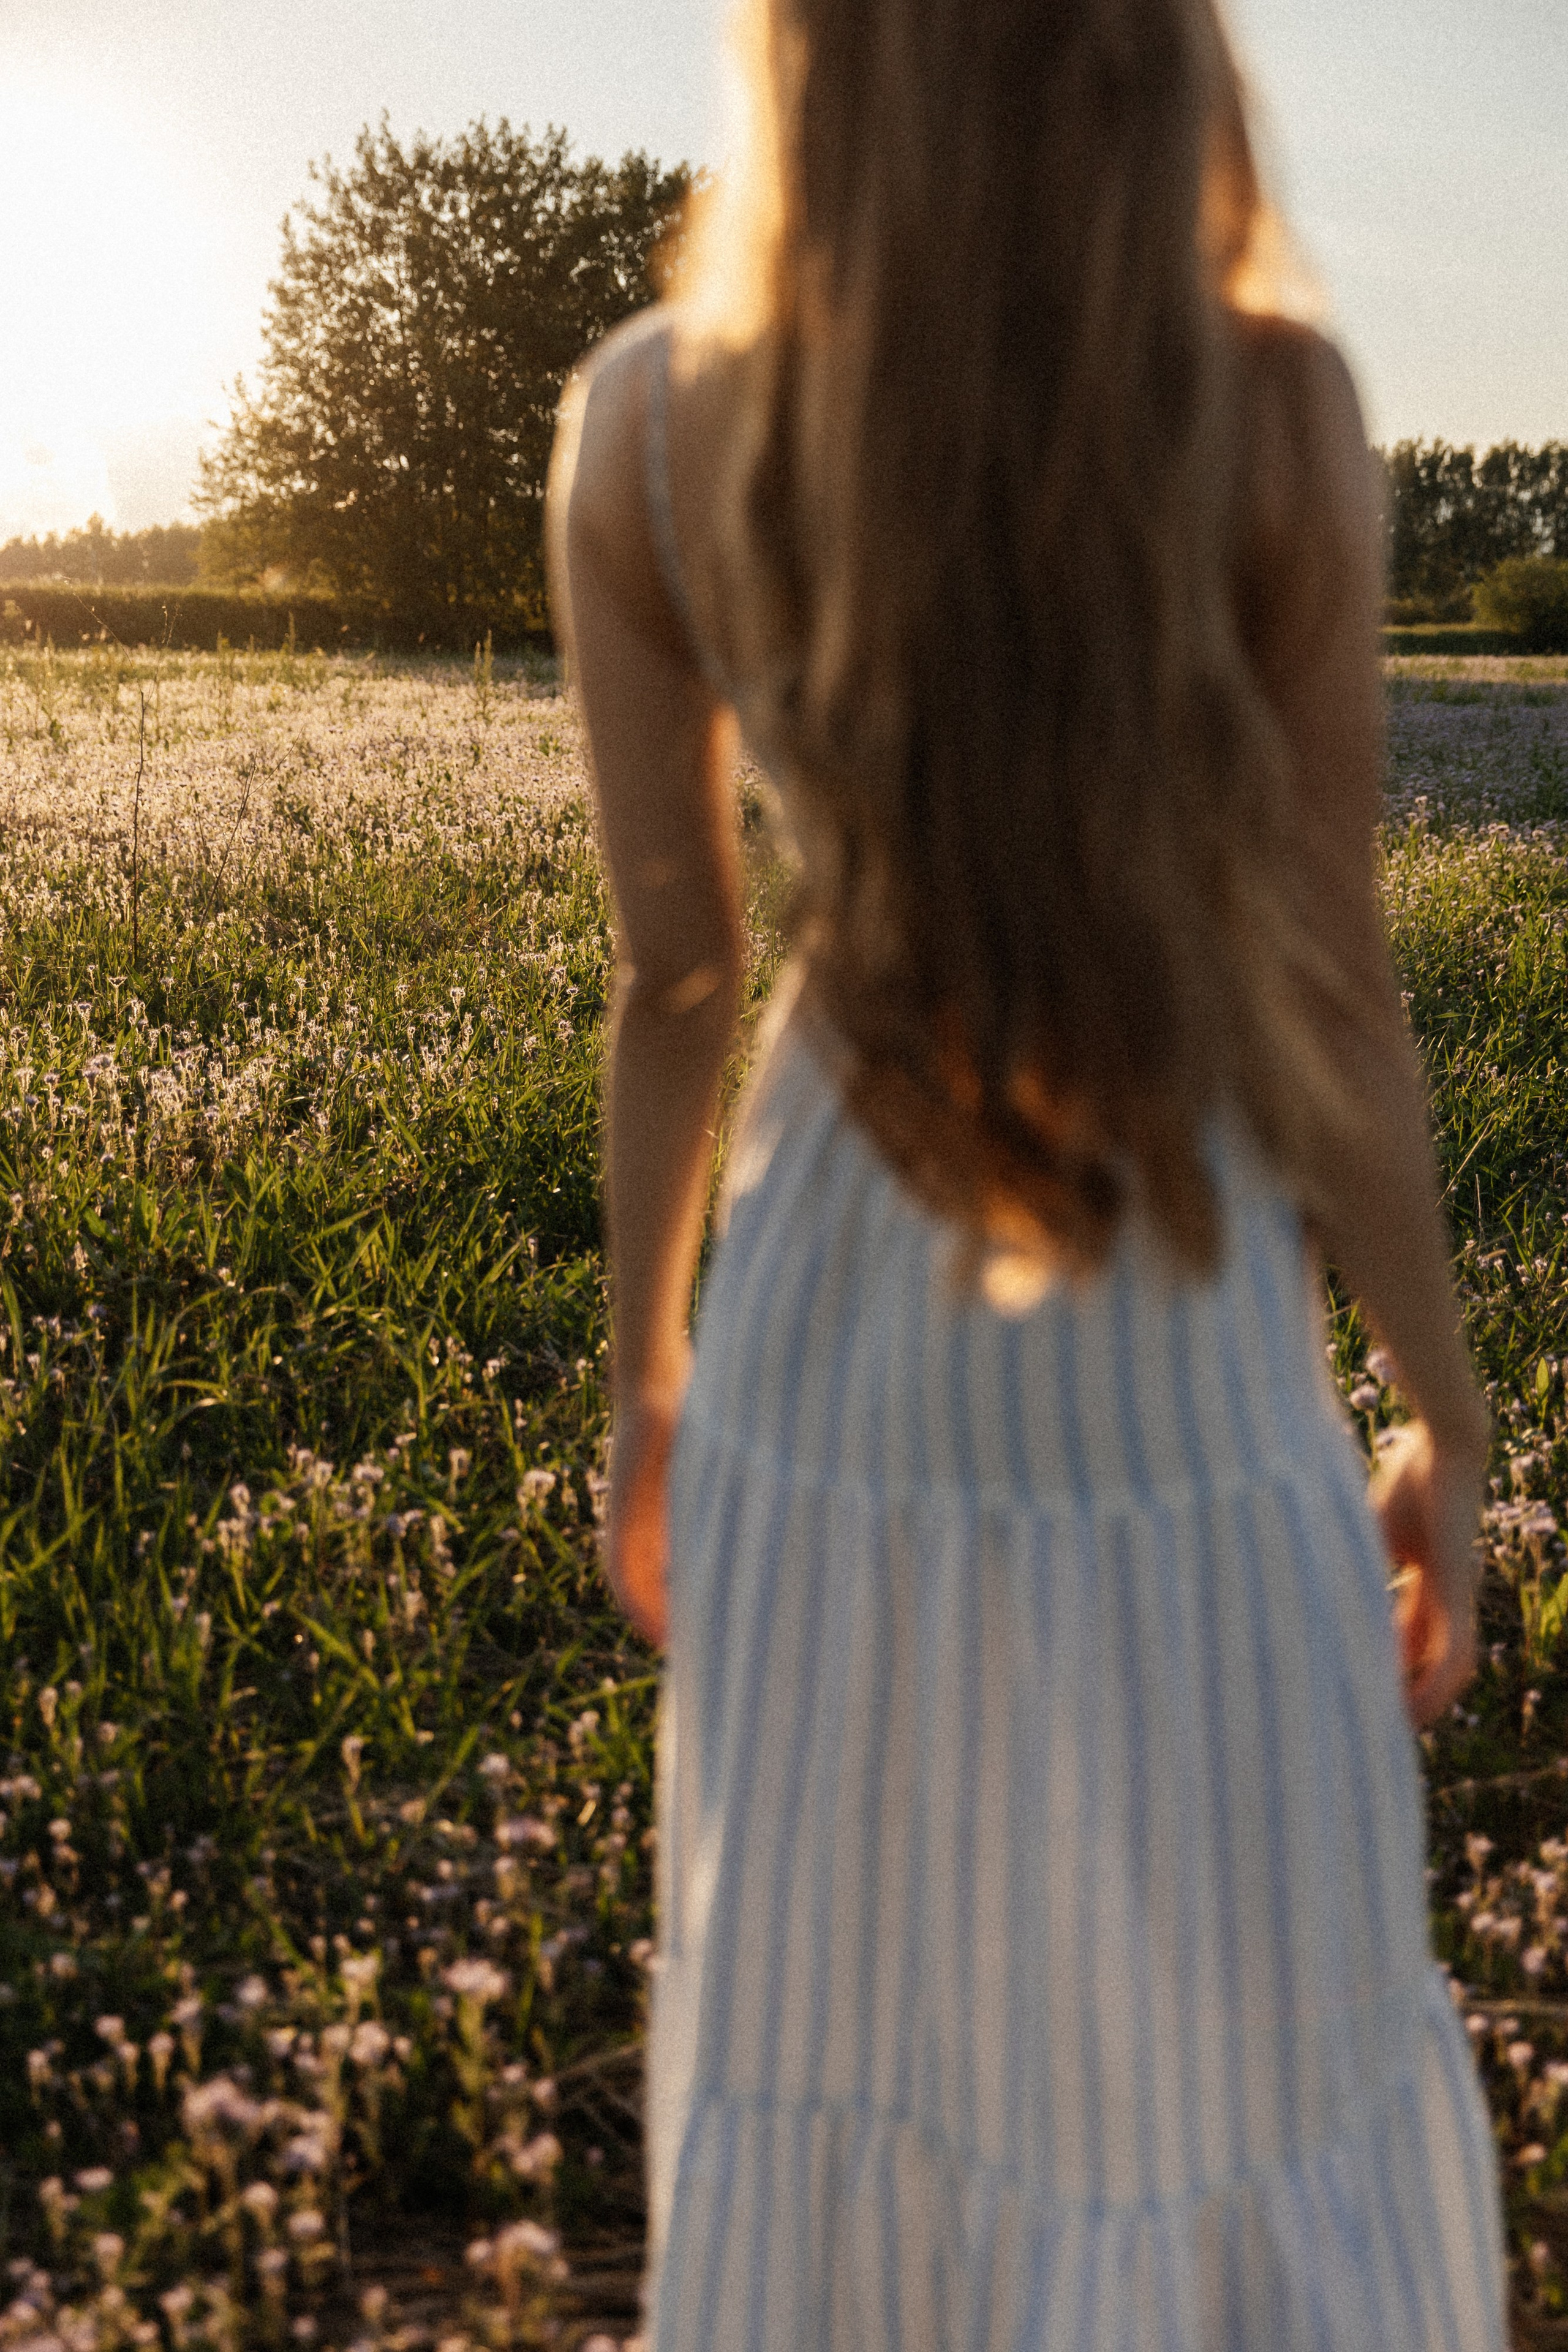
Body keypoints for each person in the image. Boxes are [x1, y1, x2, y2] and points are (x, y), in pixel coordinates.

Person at [546, 0, 1506, 2340]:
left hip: (818, 1343)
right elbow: (1337, 994)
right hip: (1180, 1339)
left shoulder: (654, 420)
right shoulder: (1269, 413)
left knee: (848, 2045)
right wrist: (1448, 1418)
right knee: (1242, 2052)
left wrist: (647, 1381)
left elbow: (682, 982)